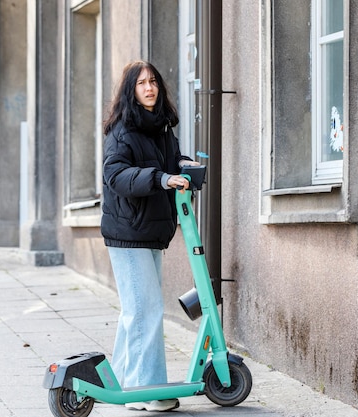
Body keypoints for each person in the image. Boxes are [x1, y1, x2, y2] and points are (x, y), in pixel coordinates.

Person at [101, 61, 199, 412]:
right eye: (141, 82)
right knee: (146, 311)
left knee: (136, 311)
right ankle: (149, 391)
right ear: (131, 90)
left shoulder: (160, 129)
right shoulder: (122, 131)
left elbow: (166, 164)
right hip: (128, 232)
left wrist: (182, 166)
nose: (149, 87)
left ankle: (123, 380)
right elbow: (117, 175)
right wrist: (160, 178)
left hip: (149, 232)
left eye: (154, 81)